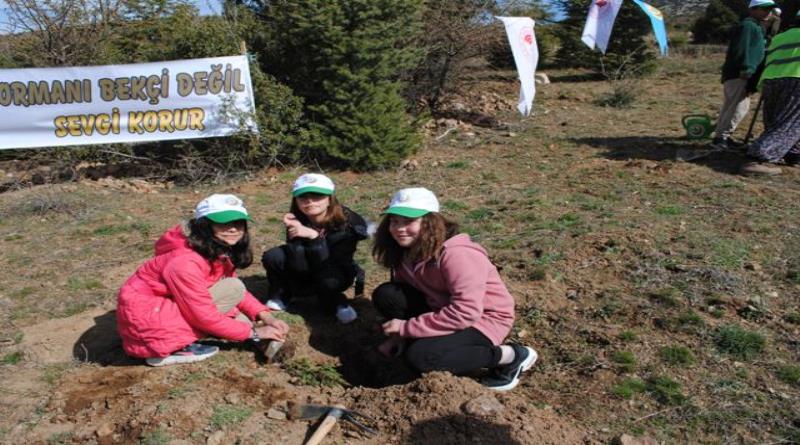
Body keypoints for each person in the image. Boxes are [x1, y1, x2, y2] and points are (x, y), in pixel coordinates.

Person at [371, 187, 537, 391]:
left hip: (482, 318)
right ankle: (431, 342)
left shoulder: (457, 255)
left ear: (430, 222)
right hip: (441, 308)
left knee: (421, 358)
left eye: (408, 221)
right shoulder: (406, 252)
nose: (398, 228)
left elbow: (466, 311)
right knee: (387, 295)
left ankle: (512, 356)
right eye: (394, 221)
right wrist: (400, 337)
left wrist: (406, 328)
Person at [117, 194, 289, 367]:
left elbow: (232, 288)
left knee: (233, 291)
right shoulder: (185, 263)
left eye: (238, 223)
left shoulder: (213, 249)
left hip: (162, 310)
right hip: (150, 327)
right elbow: (203, 316)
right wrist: (255, 333)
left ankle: (264, 342)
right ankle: (171, 349)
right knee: (229, 307)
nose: (233, 229)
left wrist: (267, 318)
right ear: (204, 226)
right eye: (223, 223)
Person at [261, 173, 368, 324]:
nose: (310, 201)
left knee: (329, 281)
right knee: (273, 256)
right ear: (296, 200)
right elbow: (296, 255)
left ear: (330, 198)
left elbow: (332, 262)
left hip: (336, 271)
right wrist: (297, 230)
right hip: (305, 266)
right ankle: (283, 293)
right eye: (303, 197)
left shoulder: (347, 223)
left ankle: (337, 300)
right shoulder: (296, 219)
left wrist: (313, 237)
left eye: (318, 196)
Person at [711, 0, 778, 151]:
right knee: (739, 107)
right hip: (739, 73)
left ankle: (721, 136)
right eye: (764, 9)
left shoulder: (755, 27)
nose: (768, 12)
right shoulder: (748, 26)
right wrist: (747, 69)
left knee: (731, 105)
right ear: (753, 9)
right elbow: (741, 49)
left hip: (738, 73)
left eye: (770, 9)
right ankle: (721, 139)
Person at [743, 10, 800, 175]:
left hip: (771, 80)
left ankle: (793, 154)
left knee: (776, 120)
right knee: (790, 123)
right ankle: (760, 157)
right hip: (796, 79)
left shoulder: (780, 37)